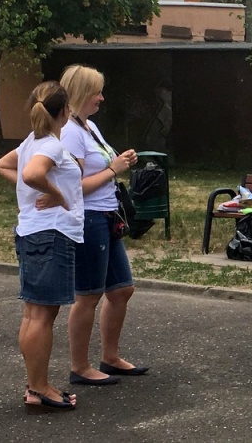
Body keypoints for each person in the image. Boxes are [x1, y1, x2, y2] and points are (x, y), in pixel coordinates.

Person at [0, 82, 82, 411]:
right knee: (43, 315)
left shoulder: (31, 142)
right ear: (65, 112)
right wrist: (58, 195)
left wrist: (35, 191)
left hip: (33, 233)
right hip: (51, 235)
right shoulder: (50, 146)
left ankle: (35, 385)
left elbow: (4, 166)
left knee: (33, 314)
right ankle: (40, 386)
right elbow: (32, 175)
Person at [59, 64, 149, 385]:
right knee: (89, 295)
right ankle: (80, 367)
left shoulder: (89, 126)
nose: (101, 97)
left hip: (107, 216)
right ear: (81, 93)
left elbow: (105, 163)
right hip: (89, 219)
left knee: (122, 289)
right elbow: (73, 186)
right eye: (96, 91)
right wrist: (114, 169)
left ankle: (110, 357)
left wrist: (121, 161)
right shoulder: (69, 132)